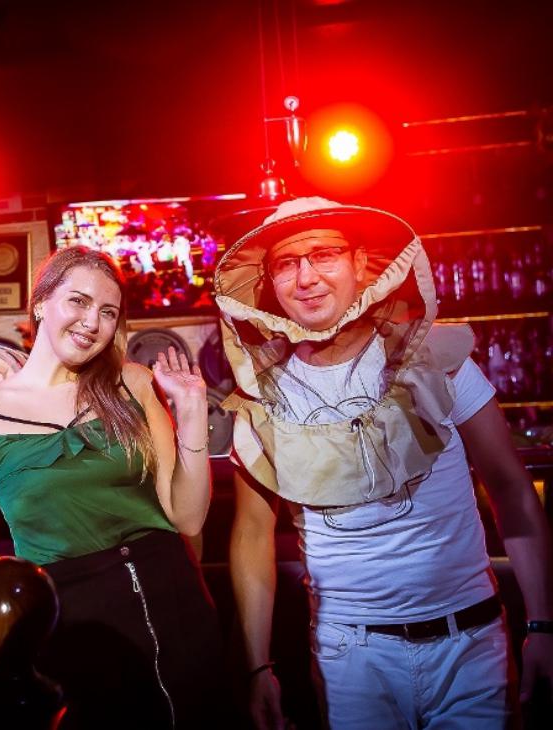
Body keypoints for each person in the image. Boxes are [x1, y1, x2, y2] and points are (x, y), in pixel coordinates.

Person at [215, 196, 553, 728]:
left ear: (359, 264)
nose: (306, 277)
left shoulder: (435, 359)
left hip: (469, 643)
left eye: (324, 254)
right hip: (350, 657)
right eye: (286, 263)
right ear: (270, 285)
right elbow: (252, 534)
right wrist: (257, 667)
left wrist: (544, 626)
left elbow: (510, 489)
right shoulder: (262, 398)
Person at [0, 245, 224, 729]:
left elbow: (187, 518)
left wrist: (190, 414)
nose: (92, 322)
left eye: (108, 312)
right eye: (78, 301)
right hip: (71, 620)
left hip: (173, 599)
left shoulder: (132, 383)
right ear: (41, 303)